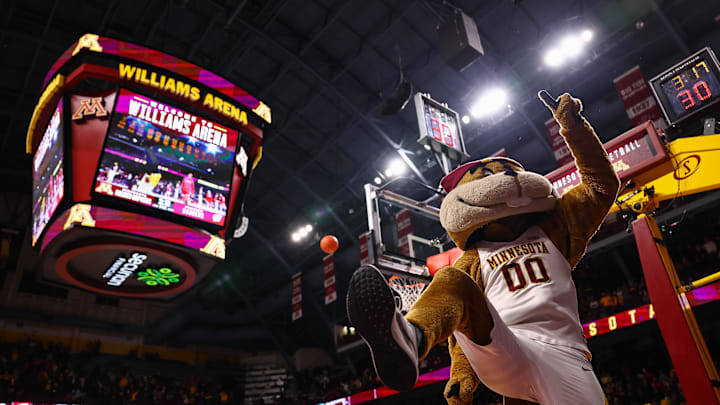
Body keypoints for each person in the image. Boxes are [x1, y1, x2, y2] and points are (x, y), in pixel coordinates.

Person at [347, 92, 620, 404]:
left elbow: (601, 185)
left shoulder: (556, 228)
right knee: (451, 282)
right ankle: (410, 336)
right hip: (505, 348)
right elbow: (460, 320)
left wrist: (574, 129)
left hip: (564, 354)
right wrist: (461, 373)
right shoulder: (472, 261)